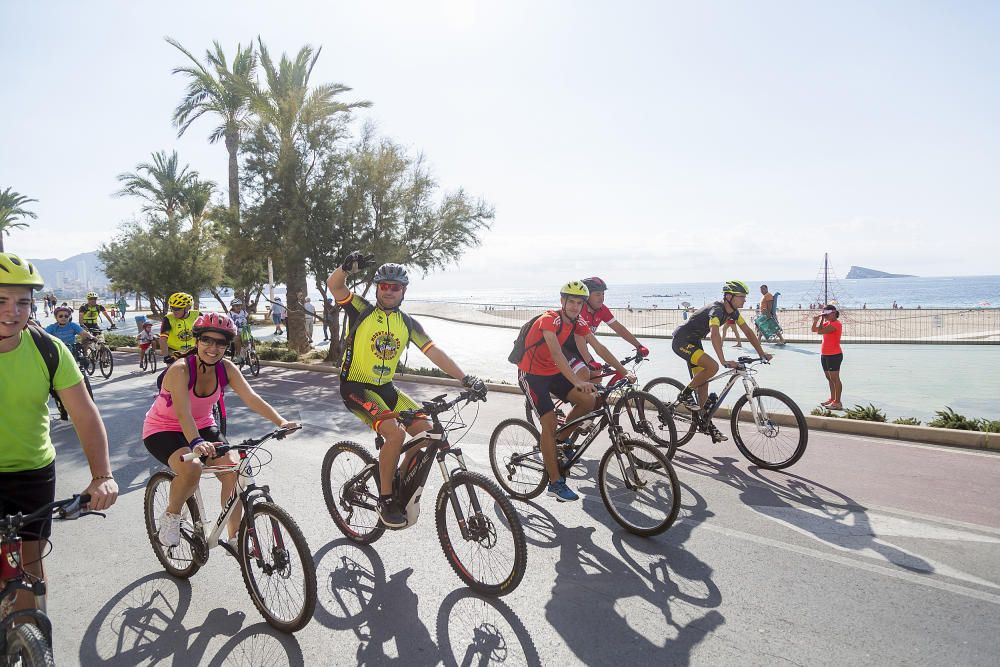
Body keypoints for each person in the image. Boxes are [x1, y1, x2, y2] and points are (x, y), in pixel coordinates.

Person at [327, 251, 486, 528]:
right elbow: (335, 286)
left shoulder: (408, 323)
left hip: (387, 388)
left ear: (403, 291)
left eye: (395, 287)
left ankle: (396, 479)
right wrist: (345, 268)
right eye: (384, 286)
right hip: (356, 387)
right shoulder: (362, 309)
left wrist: (465, 378)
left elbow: (433, 351)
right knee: (395, 433)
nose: (389, 291)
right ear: (377, 288)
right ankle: (386, 499)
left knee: (427, 433)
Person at [0, 252, 118, 616]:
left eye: (22, 302)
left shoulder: (48, 349)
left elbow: (84, 414)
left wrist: (102, 476)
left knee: (28, 567)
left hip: (32, 471)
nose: (13, 311)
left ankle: (32, 638)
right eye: (1, 300)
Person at [143, 313, 298, 549]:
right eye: (207, 340)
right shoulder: (181, 369)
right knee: (192, 468)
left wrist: (281, 421)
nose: (213, 348)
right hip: (163, 429)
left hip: (203, 425)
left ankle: (234, 538)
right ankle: (171, 517)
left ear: (228, 346)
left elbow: (251, 398)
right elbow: (183, 413)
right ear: (197, 341)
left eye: (221, 342)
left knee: (232, 470)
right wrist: (195, 442)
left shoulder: (226, 367)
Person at [516, 281, 636, 502]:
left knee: (588, 402)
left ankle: (559, 442)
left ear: (583, 305)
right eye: (570, 301)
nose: (574, 306)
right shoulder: (549, 320)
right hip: (532, 375)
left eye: (579, 302)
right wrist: (577, 381)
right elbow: (556, 353)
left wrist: (624, 371)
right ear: (562, 301)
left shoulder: (578, 322)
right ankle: (555, 482)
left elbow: (599, 347)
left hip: (553, 374)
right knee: (549, 423)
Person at [671, 280, 773, 442]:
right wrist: (723, 360)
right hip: (681, 341)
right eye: (741, 297)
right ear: (729, 296)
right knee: (713, 366)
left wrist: (762, 353)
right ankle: (684, 394)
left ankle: (705, 422)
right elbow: (715, 334)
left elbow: (747, 331)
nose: (744, 300)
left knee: (704, 384)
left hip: (694, 341)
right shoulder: (716, 310)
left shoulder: (733, 312)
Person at [564, 276, 649, 380]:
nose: (602, 298)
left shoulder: (602, 309)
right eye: (598, 294)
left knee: (597, 377)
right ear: (586, 296)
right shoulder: (579, 311)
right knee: (585, 374)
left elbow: (619, 328)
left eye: (603, 294)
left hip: (579, 348)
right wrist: (589, 361)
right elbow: (580, 340)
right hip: (565, 348)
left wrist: (638, 346)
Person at [812, 305, 844, 410]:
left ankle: (838, 402)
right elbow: (814, 329)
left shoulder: (836, 324)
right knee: (829, 378)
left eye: (826, 315)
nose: (825, 317)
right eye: (824, 315)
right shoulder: (828, 323)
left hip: (834, 355)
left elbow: (820, 331)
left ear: (834, 313)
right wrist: (816, 321)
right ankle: (833, 399)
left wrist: (820, 319)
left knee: (835, 379)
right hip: (825, 354)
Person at [159, 292, 200, 362]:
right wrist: (166, 357)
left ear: (188, 308)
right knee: (175, 371)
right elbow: (163, 339)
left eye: (178, 308)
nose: (174, 311)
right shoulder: (168, 318)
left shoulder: (197, 315)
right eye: (172, 308)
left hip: (193, 351)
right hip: (174, 353)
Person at [228, 298, 250, 363]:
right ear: (233, 306)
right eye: (237, 306)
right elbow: (228, 322)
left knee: (250, 340)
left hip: (244, 330)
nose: (239, 307)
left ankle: (249, 354)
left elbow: (247, 318)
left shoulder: (243, 312)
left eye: (240, 305)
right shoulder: (230, 314)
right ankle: (237, 356)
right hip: (235, 331)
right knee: (237, 339)